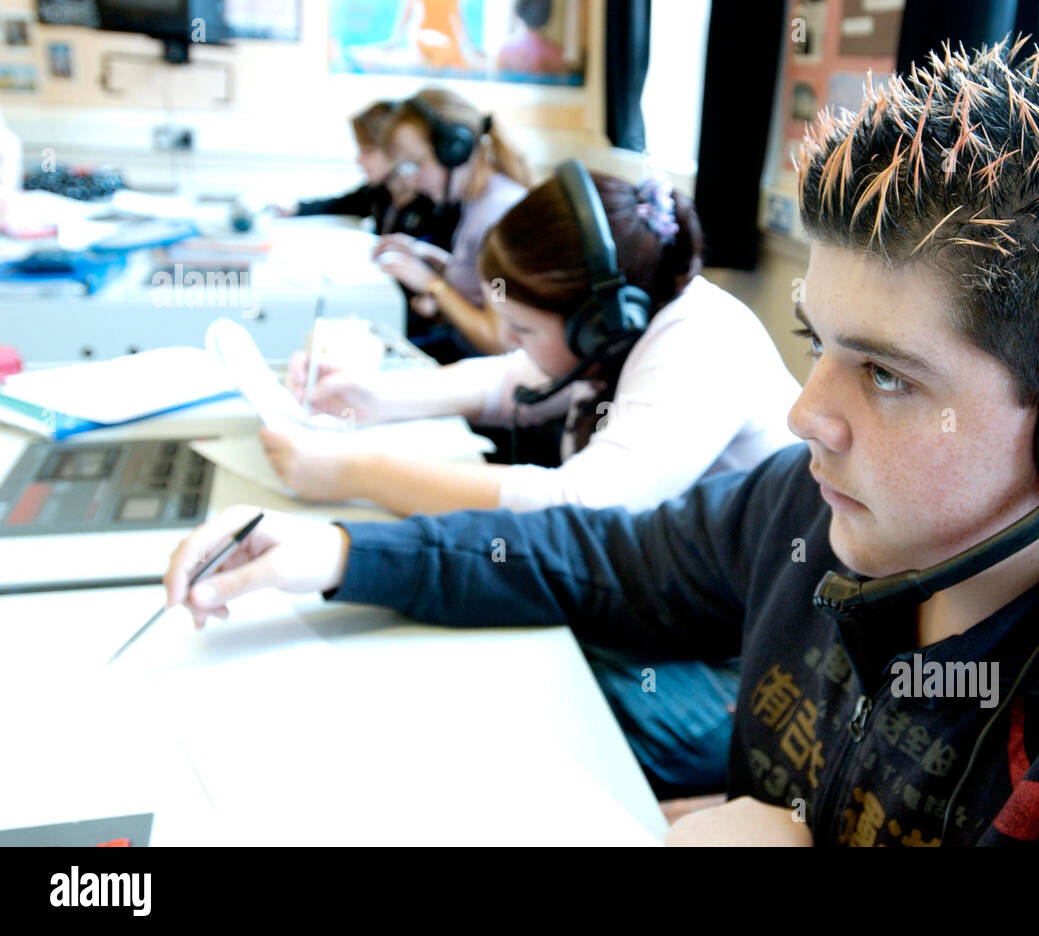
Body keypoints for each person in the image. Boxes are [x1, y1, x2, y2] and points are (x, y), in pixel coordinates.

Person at [164, 36, 1039, 845]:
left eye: (888, 375)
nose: (810, 412)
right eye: (820, 342)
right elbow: (593, 557)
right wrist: (338, 557)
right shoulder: (808, 506)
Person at [258, 162, 803, 797]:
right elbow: (510, 379)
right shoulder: (632, 323)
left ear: (599, 324)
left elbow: (578, 508)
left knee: (507, 726)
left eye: (524, 328)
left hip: (746, 661)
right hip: (668, 612)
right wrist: (370, 398)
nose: (512, 343)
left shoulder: (701, 343)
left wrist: (358, 471)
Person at [371, 87, 530, 362]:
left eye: (416, 164)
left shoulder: (497, 214)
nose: (411, 180)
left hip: (482, 368)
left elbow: (499, 338)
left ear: (454, 150)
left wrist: (433, 285)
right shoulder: (477, 201)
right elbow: (485, 285)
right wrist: (429, 257)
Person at [272, 101, 456, 249]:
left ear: (394, 150)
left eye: (367, 151)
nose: (359, 161)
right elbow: (340, 204)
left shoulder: (433, 198)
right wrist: (296, 208)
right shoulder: (379, 192)